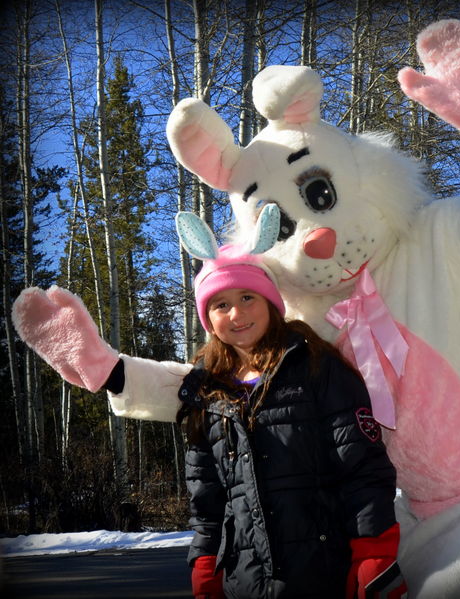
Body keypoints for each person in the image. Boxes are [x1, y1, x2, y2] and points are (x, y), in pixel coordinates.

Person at [12, 215, 404, 599]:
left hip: (326, 572)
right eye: (220, 305)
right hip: (245, 579)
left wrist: (374, 553)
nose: (236, 314)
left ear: (270, 303)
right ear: (208, 318)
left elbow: (363, 471)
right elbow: (207, 496)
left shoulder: (318, 366)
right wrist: (204, 564)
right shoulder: (207, 389)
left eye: (247, 298)